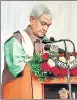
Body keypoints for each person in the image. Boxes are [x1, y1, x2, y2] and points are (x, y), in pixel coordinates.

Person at [2, 5, 52, 84]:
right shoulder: (16, 40)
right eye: (43, 23)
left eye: (48, 25)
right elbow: (19, 70)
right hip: (17, 92)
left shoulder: (47, 43)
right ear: (32, 20)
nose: (45, 29)